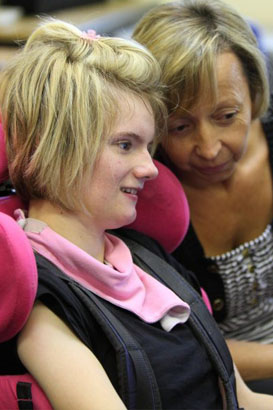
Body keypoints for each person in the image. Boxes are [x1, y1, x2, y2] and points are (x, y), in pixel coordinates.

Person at [1, 18, 273, 410]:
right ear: (62, 148)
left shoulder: (146, 257)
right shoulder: (43, 301)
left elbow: (240, 398)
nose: (150, 169)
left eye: (148, 146)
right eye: (126, 145)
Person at [133, 0, 273, 389]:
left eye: (227, 116)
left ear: (255, 94)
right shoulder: (139, 200)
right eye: (180, 126)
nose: (209, 148)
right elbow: (178, 348)